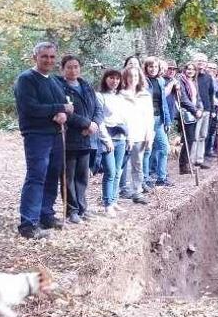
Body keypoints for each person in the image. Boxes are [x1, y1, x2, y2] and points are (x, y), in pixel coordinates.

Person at [14, 42, 73, 239]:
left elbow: (64, 106)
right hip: (37, 135)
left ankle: (45, 215)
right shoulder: (26, 79)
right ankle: (28, 224)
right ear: (35, 58)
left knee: (52, 176)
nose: (48, 60)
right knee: (36, 176)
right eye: (44, 56)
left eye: (52, 57)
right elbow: (30, 107)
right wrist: (59, 109)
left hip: (56, 135)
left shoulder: (54, 81)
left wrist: (63, 113)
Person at [57, 55, 103, 224]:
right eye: (69, 67)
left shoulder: (86, 86)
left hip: (87, 138)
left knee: (82, 176)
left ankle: (82, 208)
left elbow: (98, 108)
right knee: (68, 176)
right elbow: (66, 113)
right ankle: (71, 210)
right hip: (69, 137)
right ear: (62, 69)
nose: (73, 70)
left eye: (76, 66)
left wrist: (95, 124)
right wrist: (86, 124)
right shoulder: (59, 87)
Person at [96, 69, 128, 218]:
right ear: (105, 79)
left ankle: (114, 200)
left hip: (121, 137)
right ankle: (108, 203)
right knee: (110, 171)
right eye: (111, 78)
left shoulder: (121, 97)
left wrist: (129, 138)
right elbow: (100, 119)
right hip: (107, 138)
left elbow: (125, 118)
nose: (114, 81)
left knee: (118, 172)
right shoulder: (100, 96)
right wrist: (106, 139)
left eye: (117, 79)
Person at [119, 66, 153, 204]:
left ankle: (137, 192)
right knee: (121, 165)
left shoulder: (145, 95)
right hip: (124, 135)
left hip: (140, 134)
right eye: (130, 76)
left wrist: (149, 135)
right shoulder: (120, 95)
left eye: (136, 76)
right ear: (125, 78)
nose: (133, 79)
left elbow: (149, 117)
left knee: (137, 164)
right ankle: (118, 191)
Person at [143, 57, 174, 188]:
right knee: (147, 150)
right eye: (150, 66)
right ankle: (145, 178)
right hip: (146, 120)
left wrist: (167, 120)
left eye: (155, 67)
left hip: (159, 119)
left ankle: (161, 177)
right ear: (146, 68)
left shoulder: (160, 81)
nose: (153, 69)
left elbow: (164, 102)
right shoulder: (143, 81)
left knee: (164, 148)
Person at [176, 62, 202, 174]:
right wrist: (195, 111)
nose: (190, 71)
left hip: (194, 112)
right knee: (189, 139)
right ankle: (183, 166)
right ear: (184, 70)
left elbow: (198, 97)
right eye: (188, 69)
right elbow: (183, 99)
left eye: (192, 69)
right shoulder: (181, 81)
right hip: (186, 113)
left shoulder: (193, 82)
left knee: (191, 139)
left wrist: (200, 108)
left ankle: (186, 163)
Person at [193, 54, 214, 169]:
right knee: (195, 136)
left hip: (206, 110)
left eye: (203, 61)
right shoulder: (191, 76)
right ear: (194, 62)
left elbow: (211, 94)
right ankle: (192, 160)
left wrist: (211, 109)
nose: (201, 63)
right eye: (199, 60)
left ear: (206, 64)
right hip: (195, 111)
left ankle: (199, 160)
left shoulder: (208, 77)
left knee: (203, 135)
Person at [204, 62, 218, 161]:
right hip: (206, 108)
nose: (212, 69)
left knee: (212, 130)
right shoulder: (204, 79)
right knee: (205, 132)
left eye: (214, 68)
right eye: (210, 67)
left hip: (215, 108)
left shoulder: (217, 81)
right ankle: (203, 154)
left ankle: (209, 150)